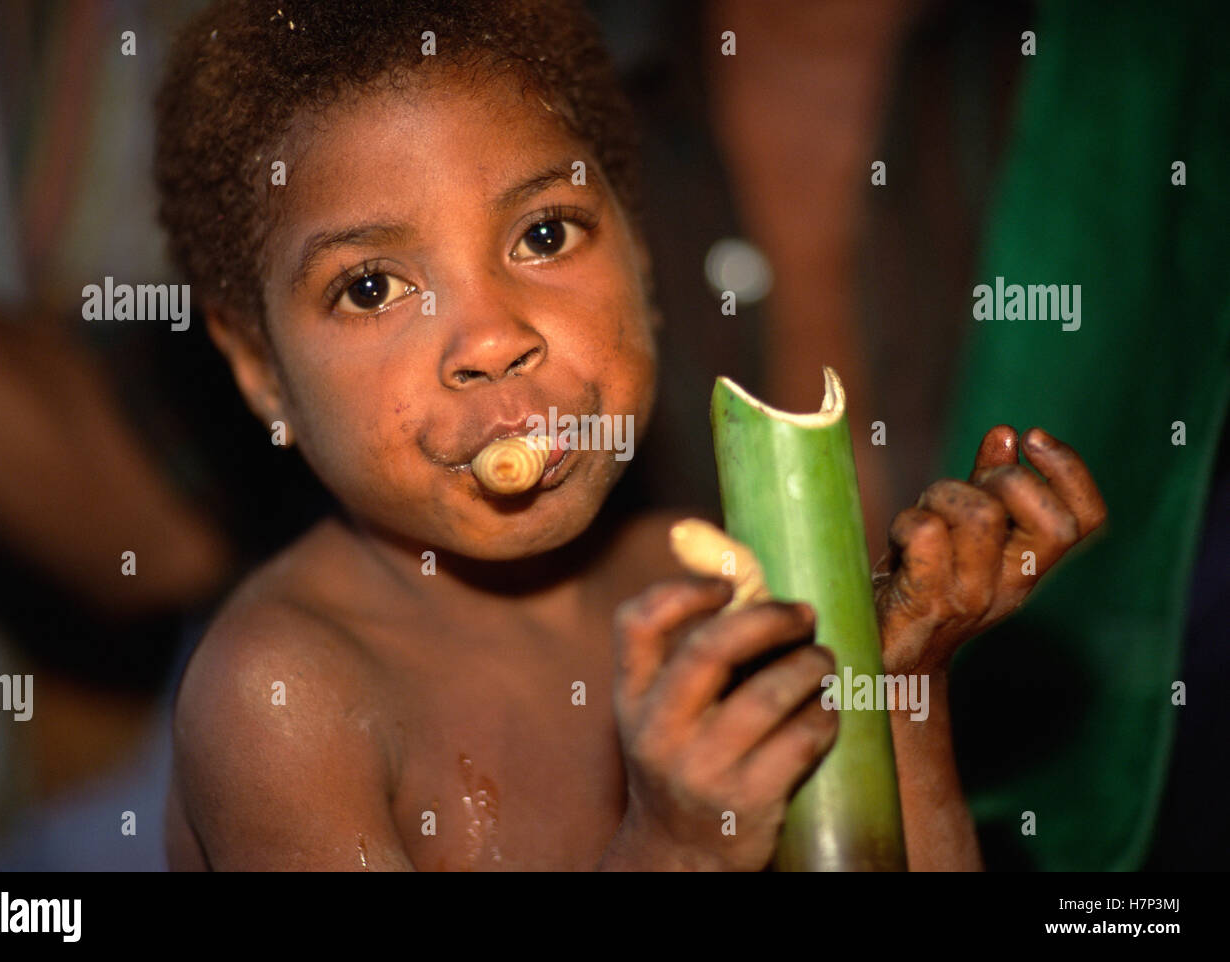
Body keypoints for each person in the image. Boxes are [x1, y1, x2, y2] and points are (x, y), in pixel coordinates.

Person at [156, 0, 1105, 871]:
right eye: (371, 288)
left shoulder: (706, 584)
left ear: (641, 253)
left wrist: (897, 686)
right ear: (262, 370)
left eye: (544, 235)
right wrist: (675, 848)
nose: (491, 339)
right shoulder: (281, 699)